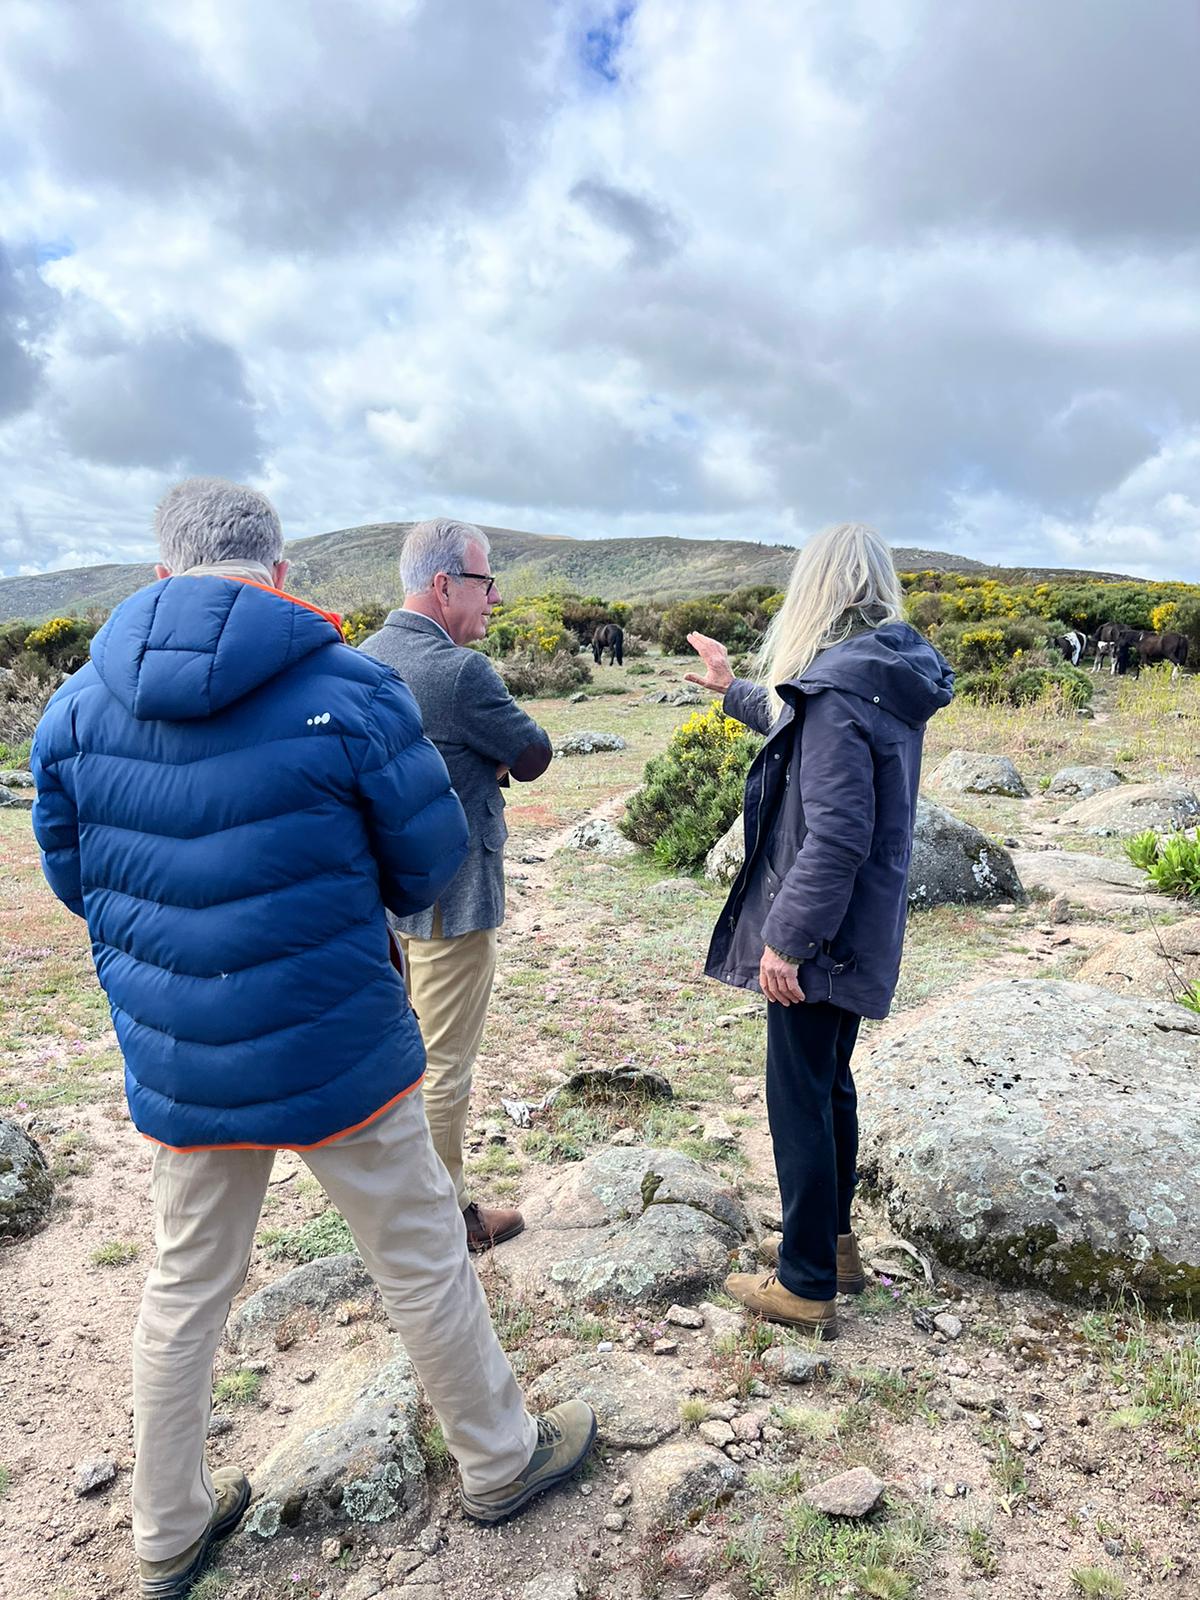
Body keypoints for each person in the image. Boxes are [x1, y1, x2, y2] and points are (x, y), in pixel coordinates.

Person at [30, 480, 595, 1600]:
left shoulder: (75, 713)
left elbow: (71, 876)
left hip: (182, 1054)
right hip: (340, 1041)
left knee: (187, 1280)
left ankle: (167, 1530)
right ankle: (498, 1458)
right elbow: (430, 862)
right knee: (422, 1248)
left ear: (159, 576)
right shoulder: (349, 689)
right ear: (279, 572)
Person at [686, 523, 953, 1341]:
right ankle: (831, 1248)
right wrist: (732, 687)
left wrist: (787, 940)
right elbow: (799, 729)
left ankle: (803, 1284)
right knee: (829, 1083)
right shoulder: (877, 677)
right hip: (859, 926)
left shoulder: (841, 691)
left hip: (823, 934)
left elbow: (836, 833)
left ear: (818, 590)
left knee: (798, 1095)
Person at [359, 518, 552, 1253]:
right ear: (444, 585)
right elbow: (533, 753)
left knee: (401, 1060)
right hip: (453, 905)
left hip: (382, 907)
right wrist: (489, 764)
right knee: (443, 1070)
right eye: (485, 581)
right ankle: (442, 1222)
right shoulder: (461, 673)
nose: (494, 598)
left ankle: (400, 1203)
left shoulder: (362, 660)